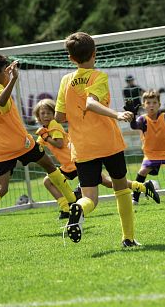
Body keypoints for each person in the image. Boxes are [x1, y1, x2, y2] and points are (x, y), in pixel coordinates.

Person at [55, 32, 158, 247]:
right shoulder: (98, 76)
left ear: (71, 59)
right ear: (95, 54)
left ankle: (80, 208)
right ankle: (128, 239)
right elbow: (91, 103)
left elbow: (59, 117)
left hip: (82, 147)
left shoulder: (65, 81)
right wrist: (117, 114)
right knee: (121, 189)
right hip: (108, 143)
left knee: (90, 198)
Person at [0, 51, 76, 243]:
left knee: (1, 187)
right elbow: (1, 99)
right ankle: (72, 205)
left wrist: (7, 76)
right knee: (50, 167)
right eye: (4, 71)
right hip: (22, 143)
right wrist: (13, 80)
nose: (6, 74)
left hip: (1, 148)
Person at [33, 98, 158, 219]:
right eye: (42, 113)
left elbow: (59, 144)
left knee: (109, 183)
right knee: (48, 181)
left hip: (75, 161)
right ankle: (66, 207)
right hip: (68, 165)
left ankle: (143, 187)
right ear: (38, 116)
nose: (46, 116)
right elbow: (38, 147)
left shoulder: (53, 125)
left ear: (54, 113)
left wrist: (45, 137)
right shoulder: (45, 129)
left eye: (49, 113)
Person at [126, 89, 165, 205]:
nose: (151, 106)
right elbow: (134, 126)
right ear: (143, 105)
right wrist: (132, 117)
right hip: (151, 154)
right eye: (148, 103)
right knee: (142, 171)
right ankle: (135, 198)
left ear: (159, 105)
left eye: (154, 103)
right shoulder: (142, 120)